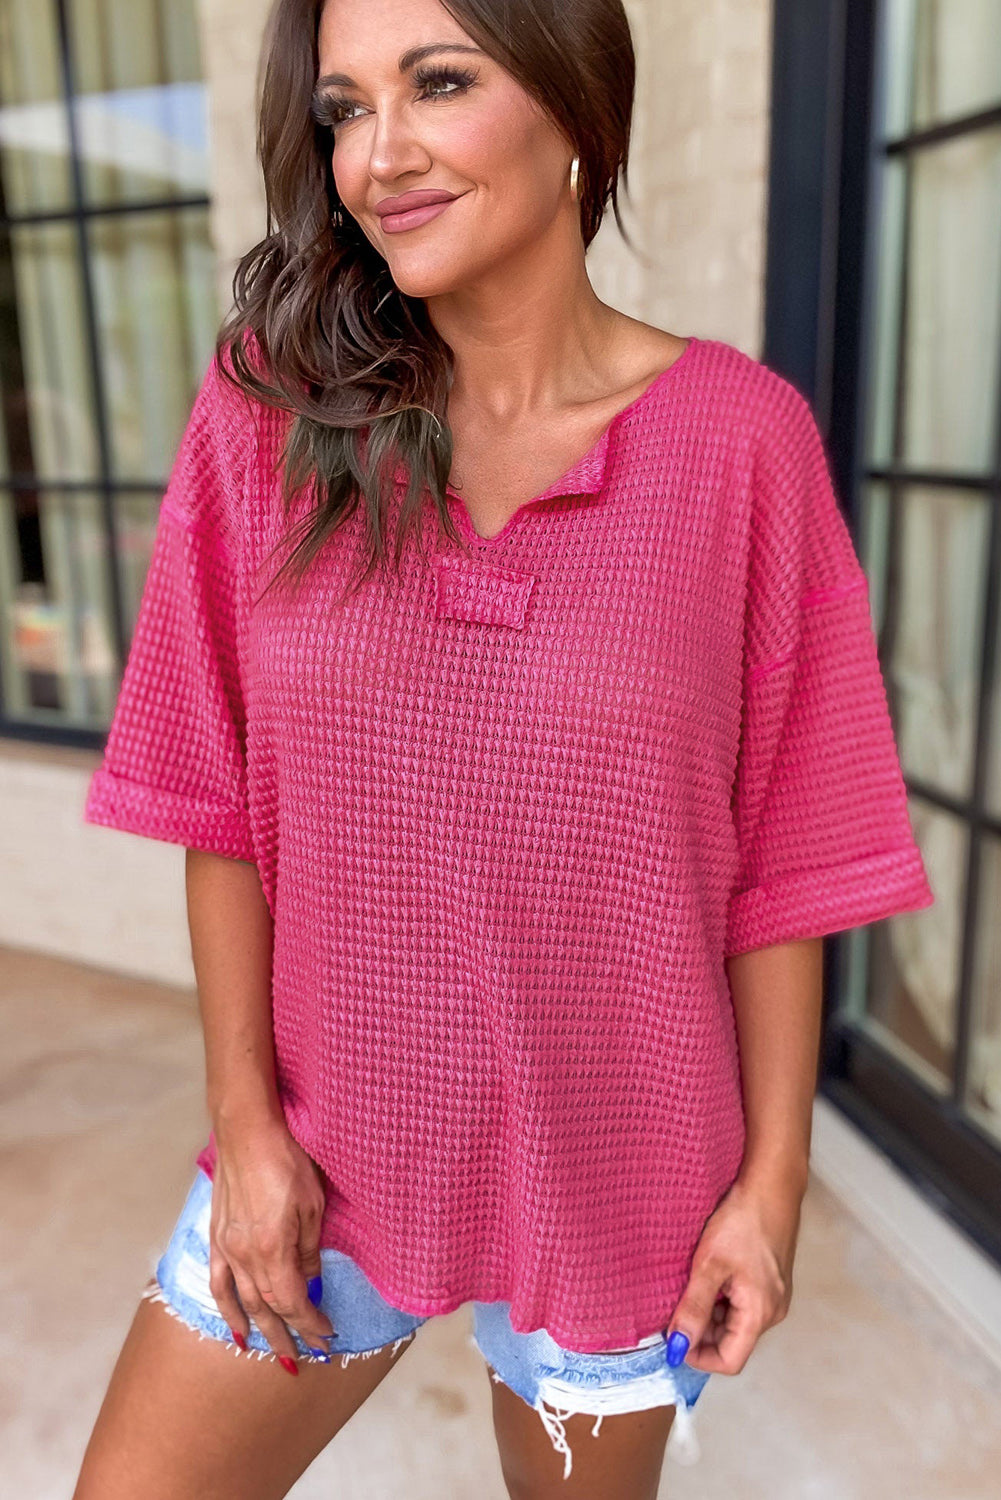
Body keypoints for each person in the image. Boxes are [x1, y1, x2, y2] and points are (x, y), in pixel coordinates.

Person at [72, 0, 935, 1496]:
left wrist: (771, 1186)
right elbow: (220, 801)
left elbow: (785, 865)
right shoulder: (272, 411)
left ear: (575, 104)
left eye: (439, 84)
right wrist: (245, 1129)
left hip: (623, 1177)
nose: (379, 154)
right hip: (326, 1150)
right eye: (345, 109)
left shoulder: (743, 444)